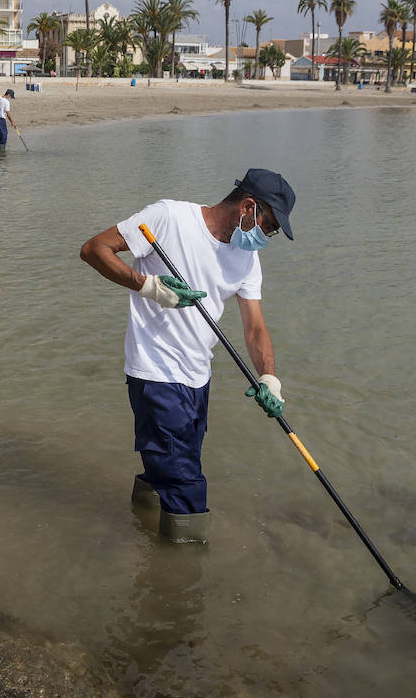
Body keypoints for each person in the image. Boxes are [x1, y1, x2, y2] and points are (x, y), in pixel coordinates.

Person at [78, 168, 296, 543]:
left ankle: (142, 519)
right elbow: (93, 249)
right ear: (248, 207)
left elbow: (255, 327)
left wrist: (269, 377)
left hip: (198, 378)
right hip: (156, 373)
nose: (268, 237)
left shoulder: (247, 260)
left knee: (174, 466)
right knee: (188, 492)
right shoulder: (169, 217)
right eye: (270, 226)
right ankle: (182, 583)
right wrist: (147, 286)